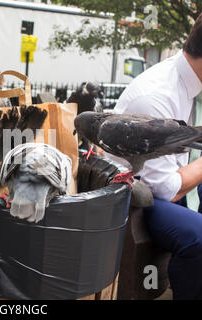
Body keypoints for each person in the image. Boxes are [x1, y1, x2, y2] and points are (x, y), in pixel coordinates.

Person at [108, 14, 202, 300]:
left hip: (163, 183)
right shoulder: (156, 96)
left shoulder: (188, 82)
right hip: (134, 196)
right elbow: (165, 189)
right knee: (199, 238)